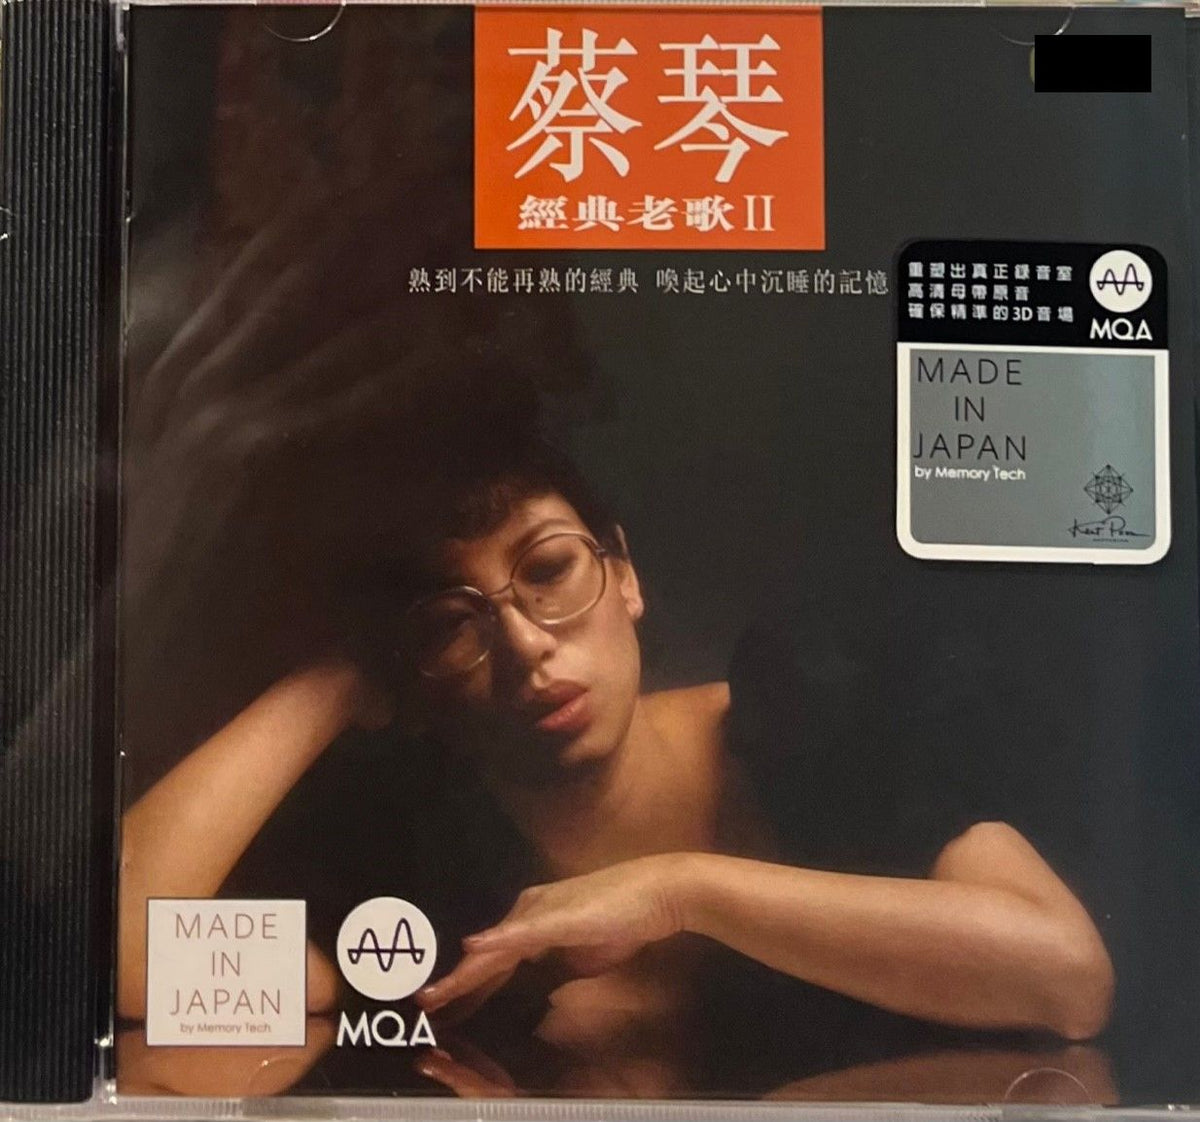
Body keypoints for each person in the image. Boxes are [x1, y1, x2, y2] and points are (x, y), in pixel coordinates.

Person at [117, 433, 1115, 1093]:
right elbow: (130, 968)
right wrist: (336, 677)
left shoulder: (806, 718)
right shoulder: (426, 872)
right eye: (454, 624)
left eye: (549, 570)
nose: (525, 646)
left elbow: (1066, 975)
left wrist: (677, 891)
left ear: (624, 575)